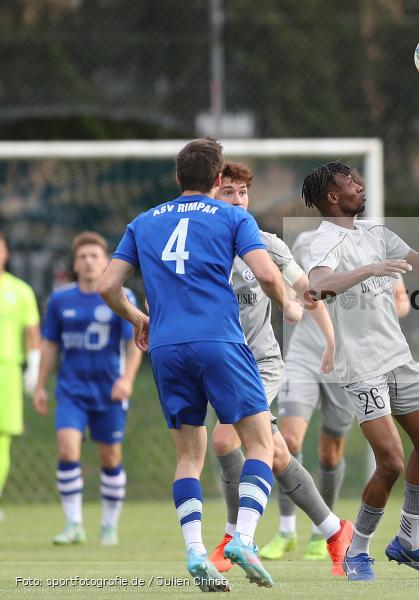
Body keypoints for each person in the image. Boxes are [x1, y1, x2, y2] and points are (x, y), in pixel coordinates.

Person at [98, 138, 301, 591]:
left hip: (168, 348)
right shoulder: (232, 216)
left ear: (177, 178)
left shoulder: (143, 221)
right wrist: (287, 302)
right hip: (220, 341)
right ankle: (243, 539)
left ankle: (193, 549)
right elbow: (268, 275)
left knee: (189, 454)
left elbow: (109, 285)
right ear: (216, 180)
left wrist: (137, 319)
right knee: (260, 443)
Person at [304, 161, 419, 581]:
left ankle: (408, 542)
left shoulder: (375, 232)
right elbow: (318, 284)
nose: (360, 186)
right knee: (391, 462)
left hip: (398, 358)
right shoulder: (325, 239)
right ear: (333, 197)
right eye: (350, 183)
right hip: (361, 368)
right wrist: (370, 270)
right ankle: (357, 551)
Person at [207, 161, 352, 576]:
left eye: (242, 193)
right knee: (276, 453)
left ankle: (234, 537)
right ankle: (333, 529)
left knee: (223, 442)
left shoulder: (265, 244)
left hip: (260, 363)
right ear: (210, 197)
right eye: (227, 193)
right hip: (219, 364)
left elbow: (308, 291)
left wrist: (330, 339)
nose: (237, 200)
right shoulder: (200, 244)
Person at [260, 228, 410, 563]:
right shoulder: (303, 242)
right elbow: (290, 283)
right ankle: (286, 530)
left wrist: (371, 305)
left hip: (347, 357)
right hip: (303, 353)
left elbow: (402, 303)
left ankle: (321, 533)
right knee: (287, 439)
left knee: (330, 453)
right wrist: (291, 299)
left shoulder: (378, 247)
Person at [33, 232, 142, 546]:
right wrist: (40, 385)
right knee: (68, 449)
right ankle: (74, 524)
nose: (89, 261)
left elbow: (133, 344)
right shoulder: (59, 300)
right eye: (83, 256)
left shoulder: (120, 297)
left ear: (107, 261)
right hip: (71, 391)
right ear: (75, 263)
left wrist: (127, 380)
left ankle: (109, 526)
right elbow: (50, 344)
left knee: (110, 458)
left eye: (95, 255)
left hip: (109, 392)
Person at [0, 231, 40, 521]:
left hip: (7, 369)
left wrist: (34, 365)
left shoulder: (20, 290)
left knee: (2, 438)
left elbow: (31, 332)